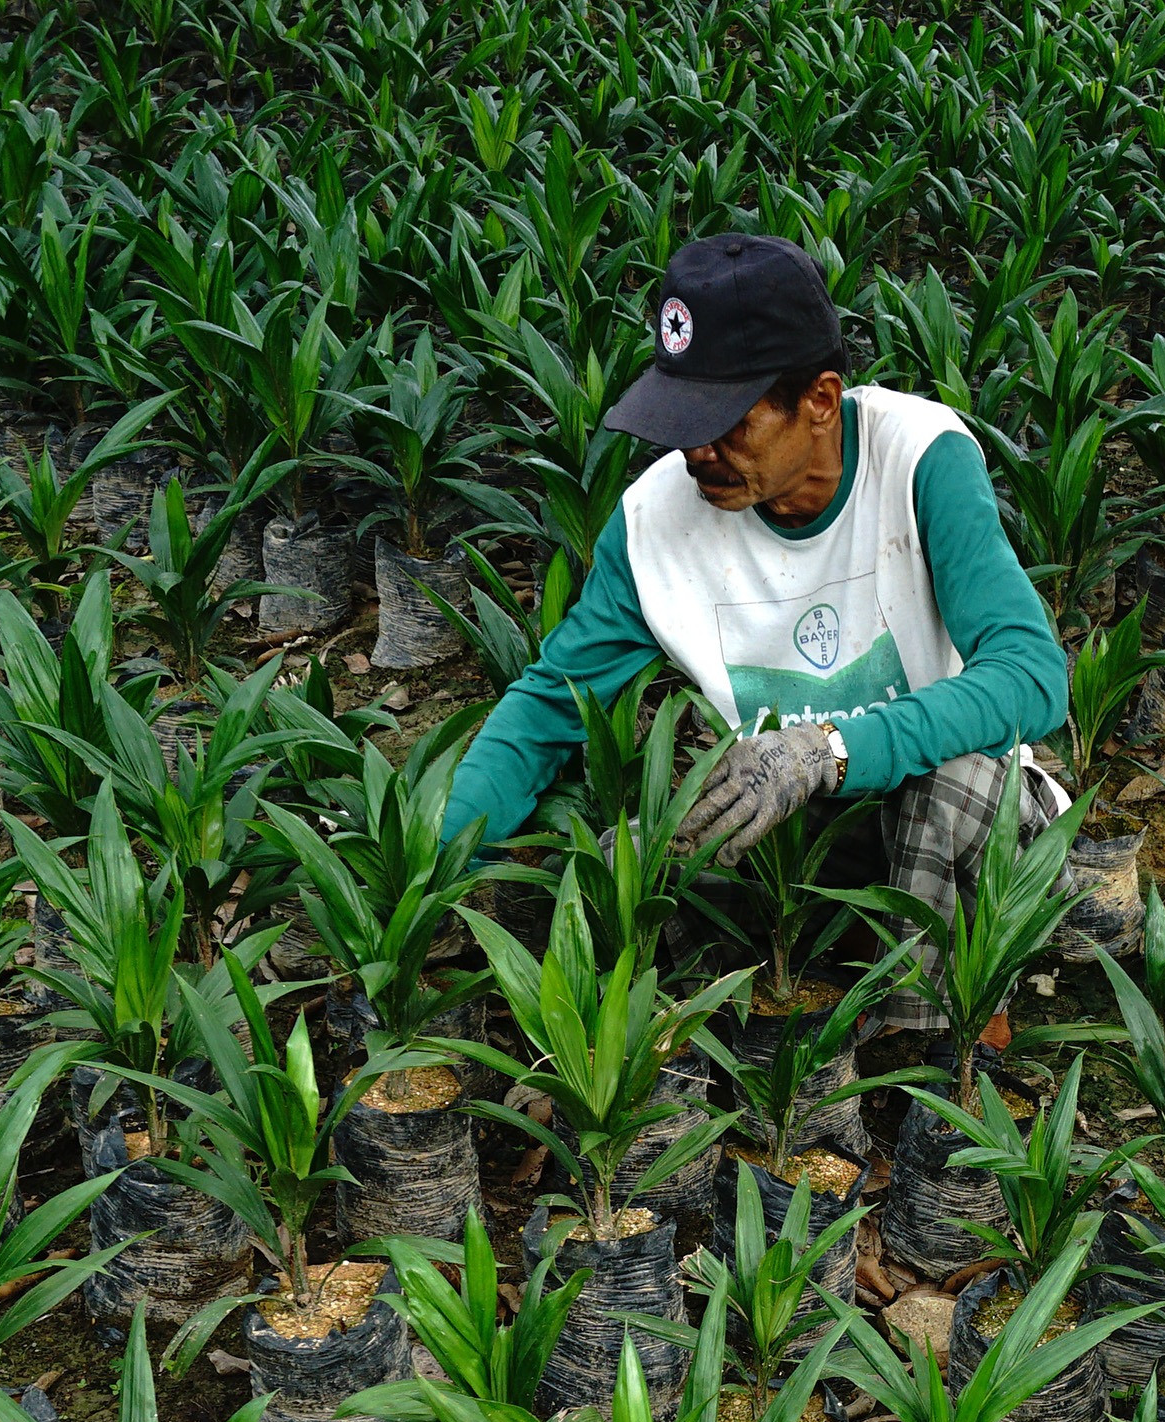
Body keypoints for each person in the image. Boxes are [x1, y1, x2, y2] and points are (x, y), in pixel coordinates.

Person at [443, 232, 1071, 1029]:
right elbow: (545, 712)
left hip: (949, 827)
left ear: (819, 400)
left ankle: (931, 1064)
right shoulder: (656, 522)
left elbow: (1032, 675)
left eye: (728, 421)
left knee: (949, 786)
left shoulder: (918, 459)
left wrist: (830, 751)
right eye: (681, 418)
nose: (697, 450)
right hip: (787, 836)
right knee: (624, 863)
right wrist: (436, 862)